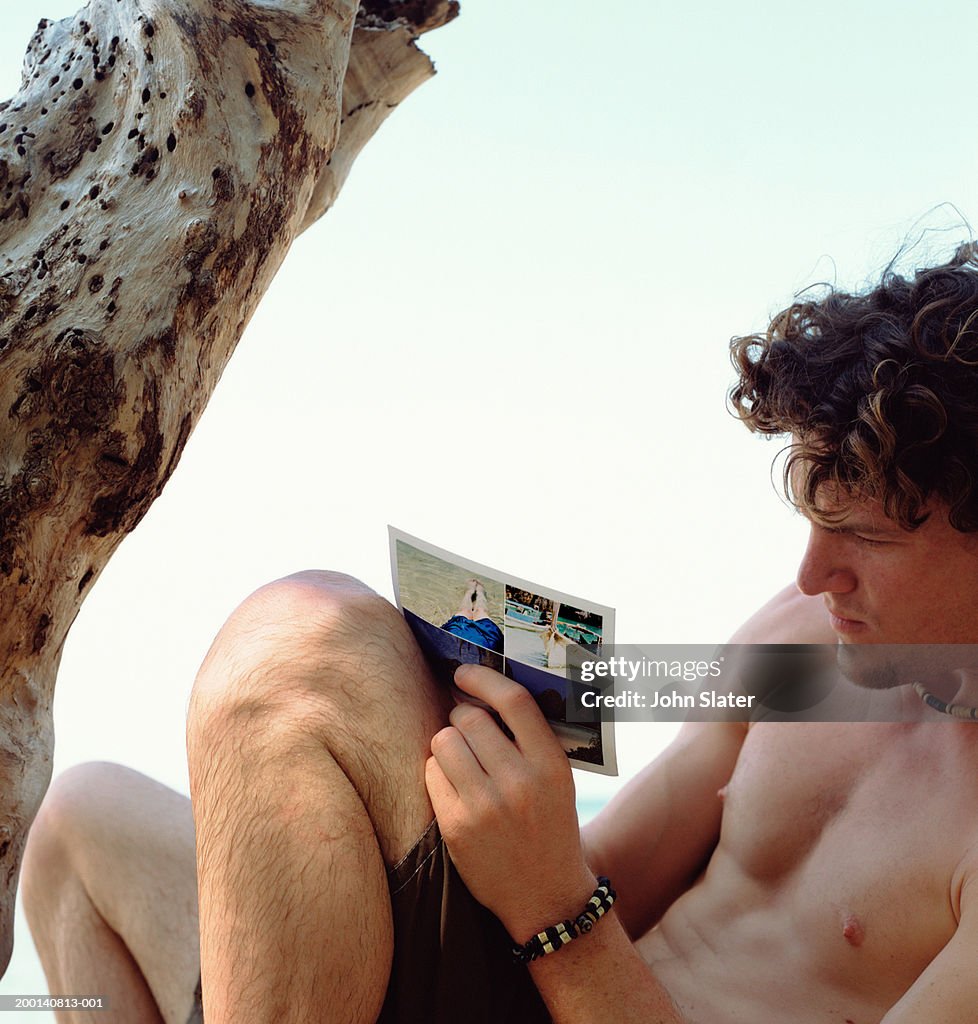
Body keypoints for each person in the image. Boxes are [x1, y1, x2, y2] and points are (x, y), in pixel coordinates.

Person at [21, 244, 978, 1023]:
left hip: (572, 966)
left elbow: (564, 900)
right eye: (812, 520)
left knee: (296, 646)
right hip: (543, 984)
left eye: (863, 537)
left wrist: (554, 904)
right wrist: (482, 782)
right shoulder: (805, 644)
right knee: (78, 823)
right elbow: (607, 874)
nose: (813, 577)